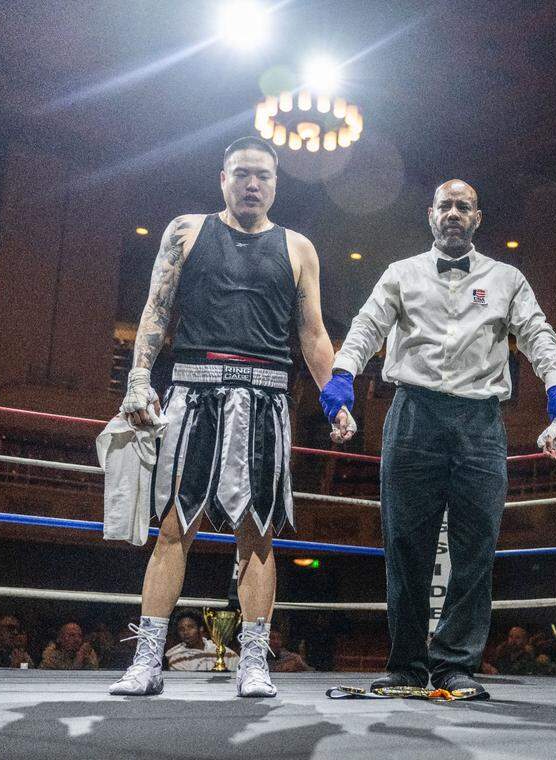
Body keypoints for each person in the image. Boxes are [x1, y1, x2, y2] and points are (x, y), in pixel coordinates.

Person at [321, 179, 556, 699]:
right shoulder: (401, 273)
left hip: (480, 420)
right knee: (404, 542)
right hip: (413, 413)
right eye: (446, 206)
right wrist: (343, 373)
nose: (454, 213)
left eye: (464, 207)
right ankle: (406, 664)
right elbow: (367, 325)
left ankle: (456, 663)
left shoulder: (506, 278)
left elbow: (536, 332)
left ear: (477, 218)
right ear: (431, 214)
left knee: (476, 544)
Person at [109, 136, 342, 698]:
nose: (252, 184)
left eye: (262, 175)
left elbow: (312, 333)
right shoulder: (186, 231)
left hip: (265, 396)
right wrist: (138, 378)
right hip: (193, 390)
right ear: (223, 179)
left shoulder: (298, 247)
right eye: (241, 174)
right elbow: (156, 308)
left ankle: (254, 662)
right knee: (173, 528)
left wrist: (336, 398)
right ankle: (147, 659)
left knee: (258, 534)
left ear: (276, 183)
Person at [164, 610, 238, 671]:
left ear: (201, 629)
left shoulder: (223, 652)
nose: (186, 632)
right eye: (181, 629)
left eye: (190, 627)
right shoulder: (177, 658)